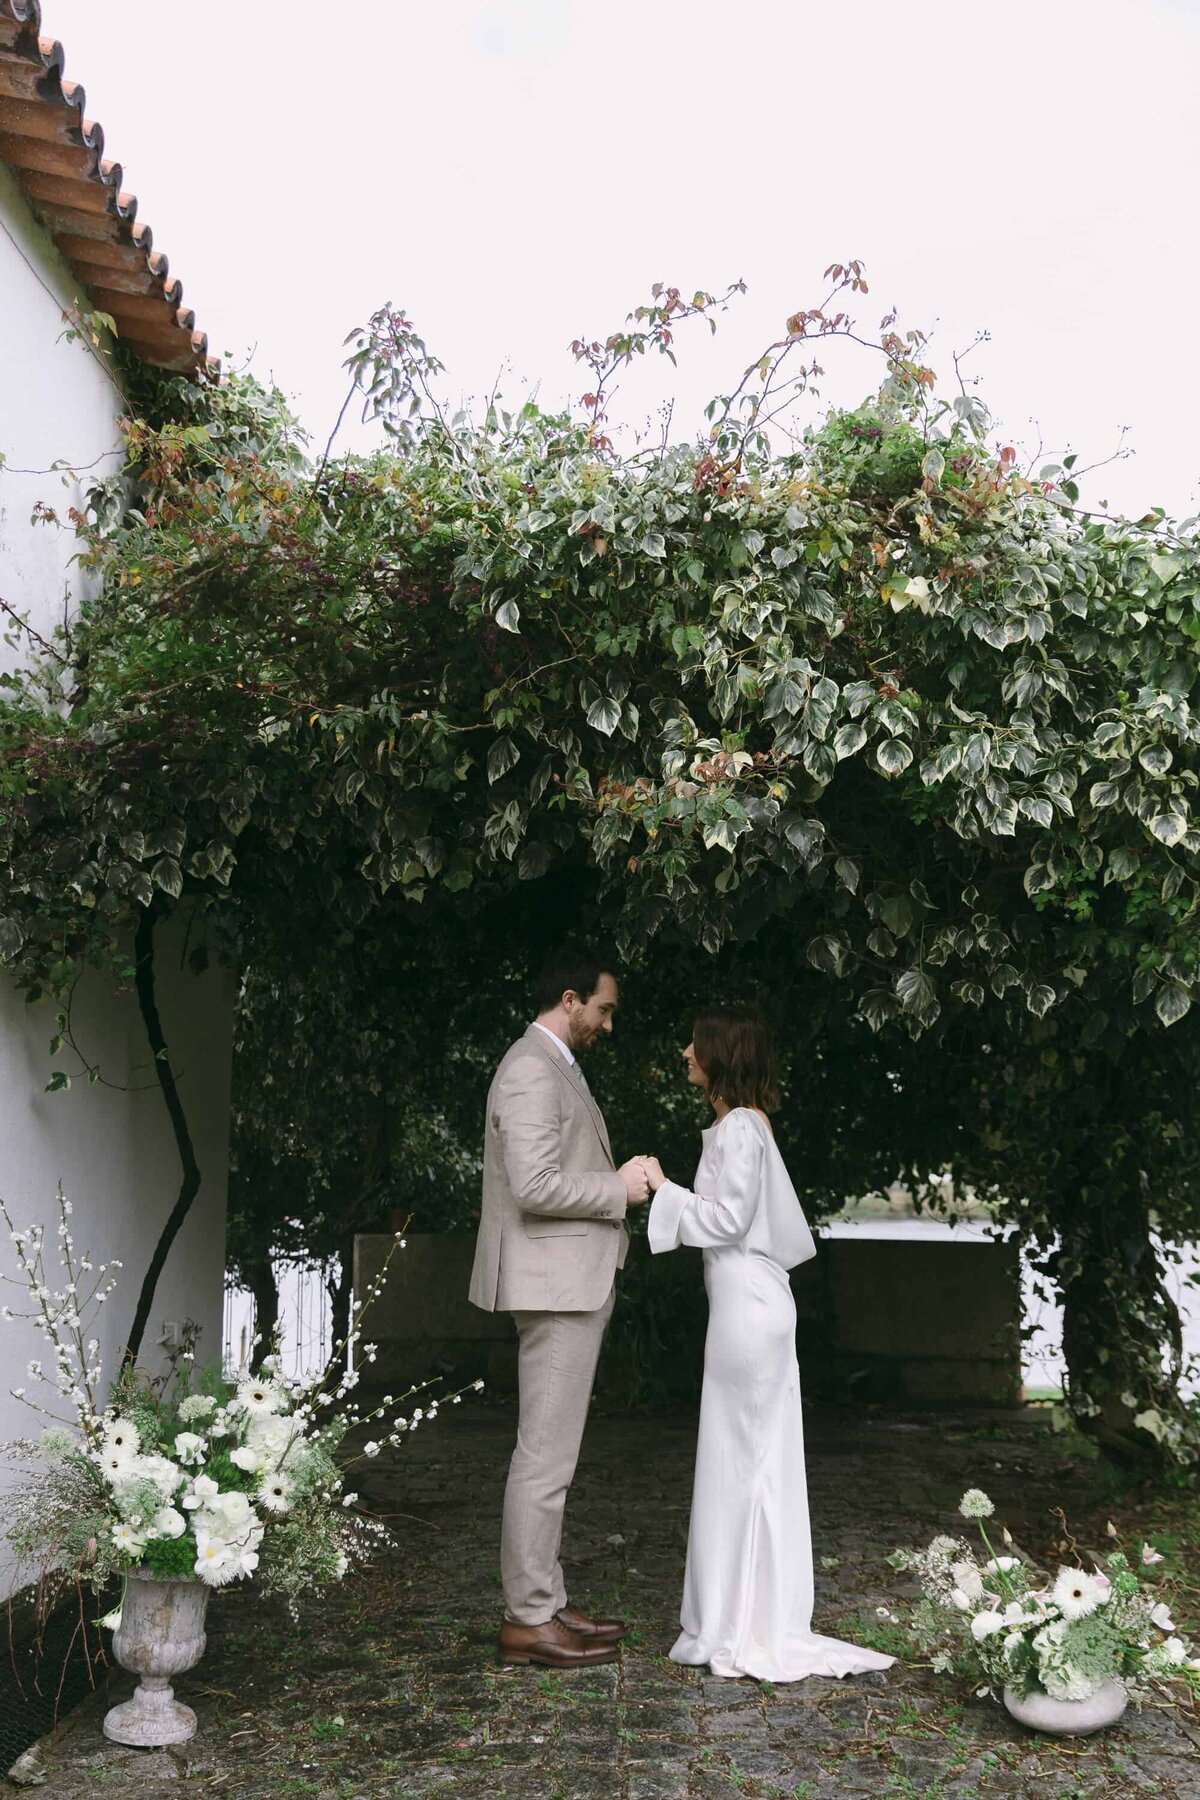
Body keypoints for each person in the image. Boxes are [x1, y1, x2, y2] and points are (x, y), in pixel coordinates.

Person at [639, 1007, 895, 1683]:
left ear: (720, 1055)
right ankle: (741, 1615)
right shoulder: (738, 1127)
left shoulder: (741, 1130)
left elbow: (726, 1220)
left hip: (747, 1311)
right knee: (743, 1462)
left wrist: (662, 1190)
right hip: (745, 1307)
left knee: (743, 1463)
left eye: (695, 1043)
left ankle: (742, 1624)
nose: (684, 1051)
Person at [469, 948, 652, 1668]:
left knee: (553, 1454)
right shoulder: (528, 1068)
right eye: (604, 1009)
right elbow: (535, 1185)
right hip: (554, 1285)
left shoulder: (551, 1068)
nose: (608, 1024)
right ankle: (528, 1617)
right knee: (544, 1457)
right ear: (570, 999)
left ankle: (546, 1599)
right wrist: (620, 1187)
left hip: (567, 1280)